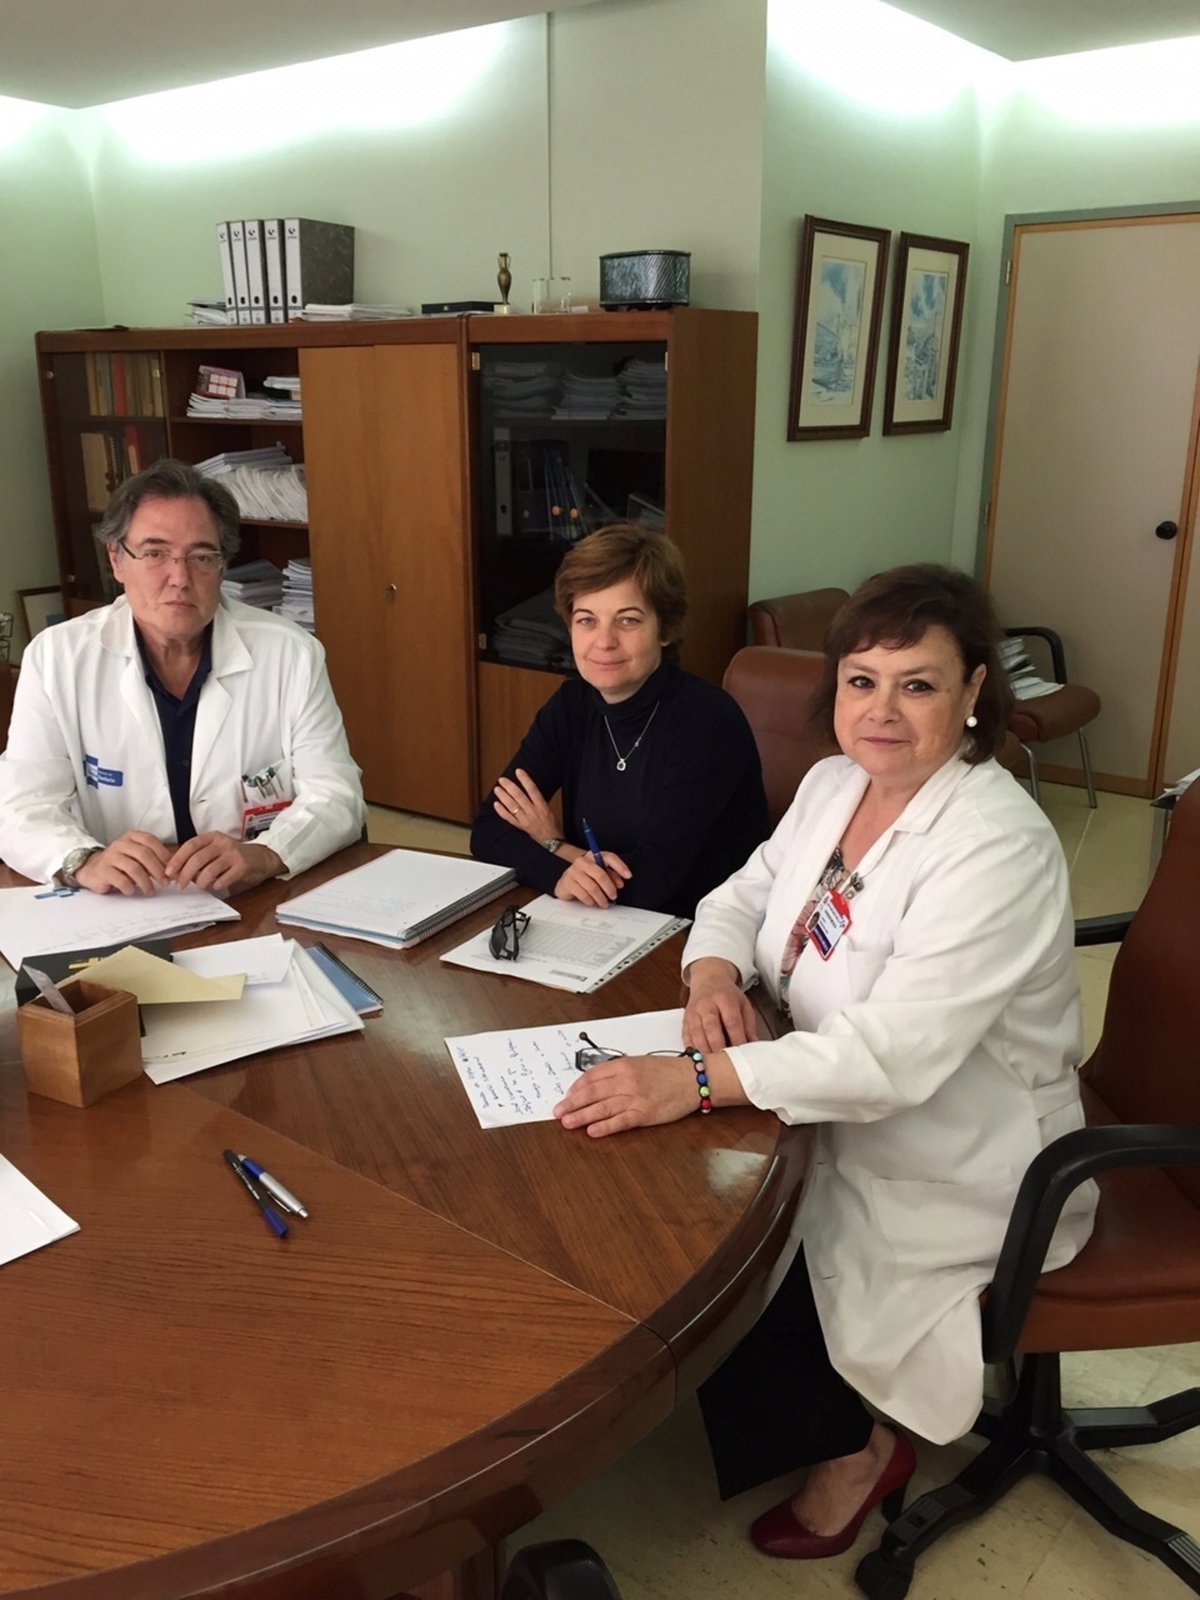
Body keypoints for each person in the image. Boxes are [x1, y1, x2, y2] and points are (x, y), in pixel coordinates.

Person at [552, 563, 1097, 1558]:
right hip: (812, 1073)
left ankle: (857, 1444)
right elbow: (741, 894)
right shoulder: (834, 784)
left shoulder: (995, 844)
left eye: (917, 684)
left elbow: (891, 1058)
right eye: (860, 681)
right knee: (687, 1195)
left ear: (975, 690)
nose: (881, 711)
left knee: (751, 1237)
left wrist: (698, 1080)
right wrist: (711, 975)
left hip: (952, 1138)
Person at [0, 458, 364, 895]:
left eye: (201, 556)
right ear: (117, 559)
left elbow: (337, 795)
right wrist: (83, 859)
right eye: (155, 553)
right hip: (124, 902)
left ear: (222, 565)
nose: (180, 578)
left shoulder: (290, 653)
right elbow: (21, 807)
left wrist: (268, 852)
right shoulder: (57, 658)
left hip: (254, 896)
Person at [470, 523, 768, 919]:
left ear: (665, 628)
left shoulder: (707, 721)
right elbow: (488, 830)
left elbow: (650, 884)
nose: (604, 641)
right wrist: (562, 865)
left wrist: (552, 844)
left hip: (698, 928)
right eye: (586, 620)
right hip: (603, 920)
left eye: (627, 620)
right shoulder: (573, 703)